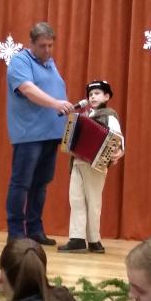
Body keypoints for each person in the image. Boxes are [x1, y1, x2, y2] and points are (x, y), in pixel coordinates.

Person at [5, 22, 74, 244]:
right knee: (21, 183)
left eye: (50, 45)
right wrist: (56, 103)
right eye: (43, 46)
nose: (47, 50)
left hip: (50, 134)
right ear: (31, 43)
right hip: (29, 135)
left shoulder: (49, 63)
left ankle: (35, 229)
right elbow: (27, 89)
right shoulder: (20, 61)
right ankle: (16, 232)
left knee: (40, 184)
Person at [58, 79, 124, 254]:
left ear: (107, 96)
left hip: (96, 165)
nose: (93, 97)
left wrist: (119, 150)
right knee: (76, 200)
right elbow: (72, 137)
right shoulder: (84, 116)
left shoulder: (109, 116)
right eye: (91, 94)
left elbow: (118, 138)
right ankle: (77, 239)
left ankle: (94, 240)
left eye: (97, 94)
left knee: (93, 201)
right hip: (77, 162)